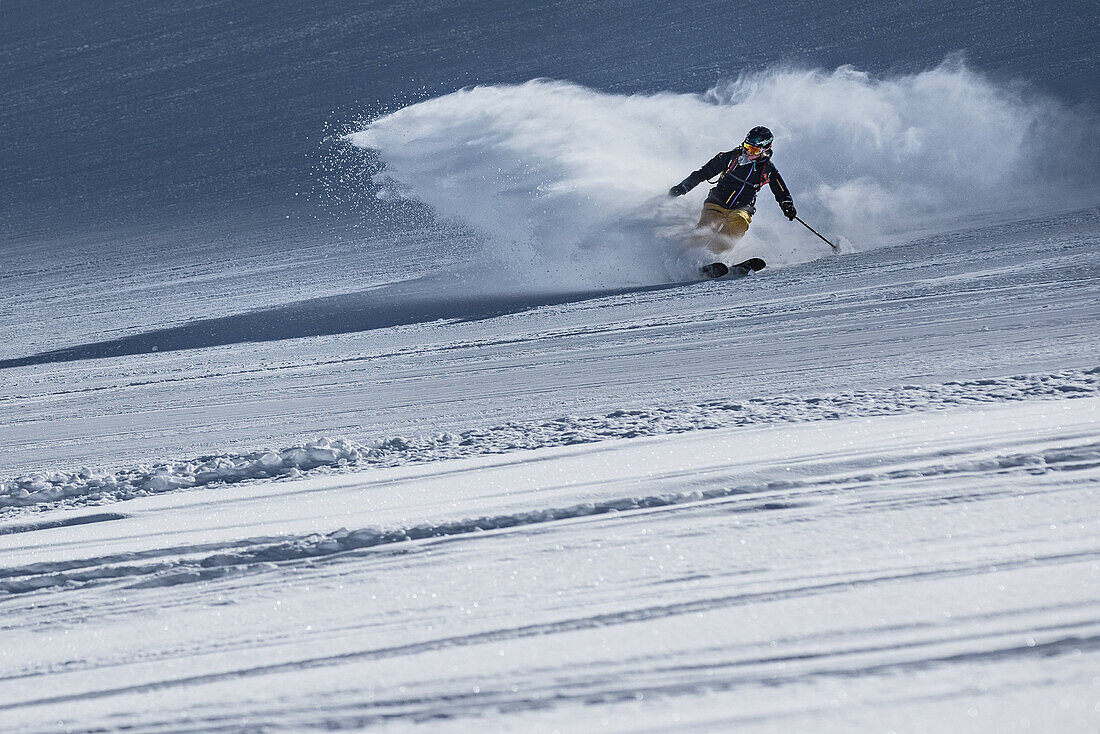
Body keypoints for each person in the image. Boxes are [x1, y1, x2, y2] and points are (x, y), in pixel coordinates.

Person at [669, 126, 796, 256]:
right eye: (747, 146)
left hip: (743, 207)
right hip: (717, 202)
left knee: (739, 224)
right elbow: (703, 173)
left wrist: (787, 205)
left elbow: (781, 190)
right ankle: (686, 257)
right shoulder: (729, 158)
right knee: (706, 229)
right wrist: (683, 187)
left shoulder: (767, 169)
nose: (748, 151)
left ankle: (710, 257)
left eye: (754, 149)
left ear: (765, 149)